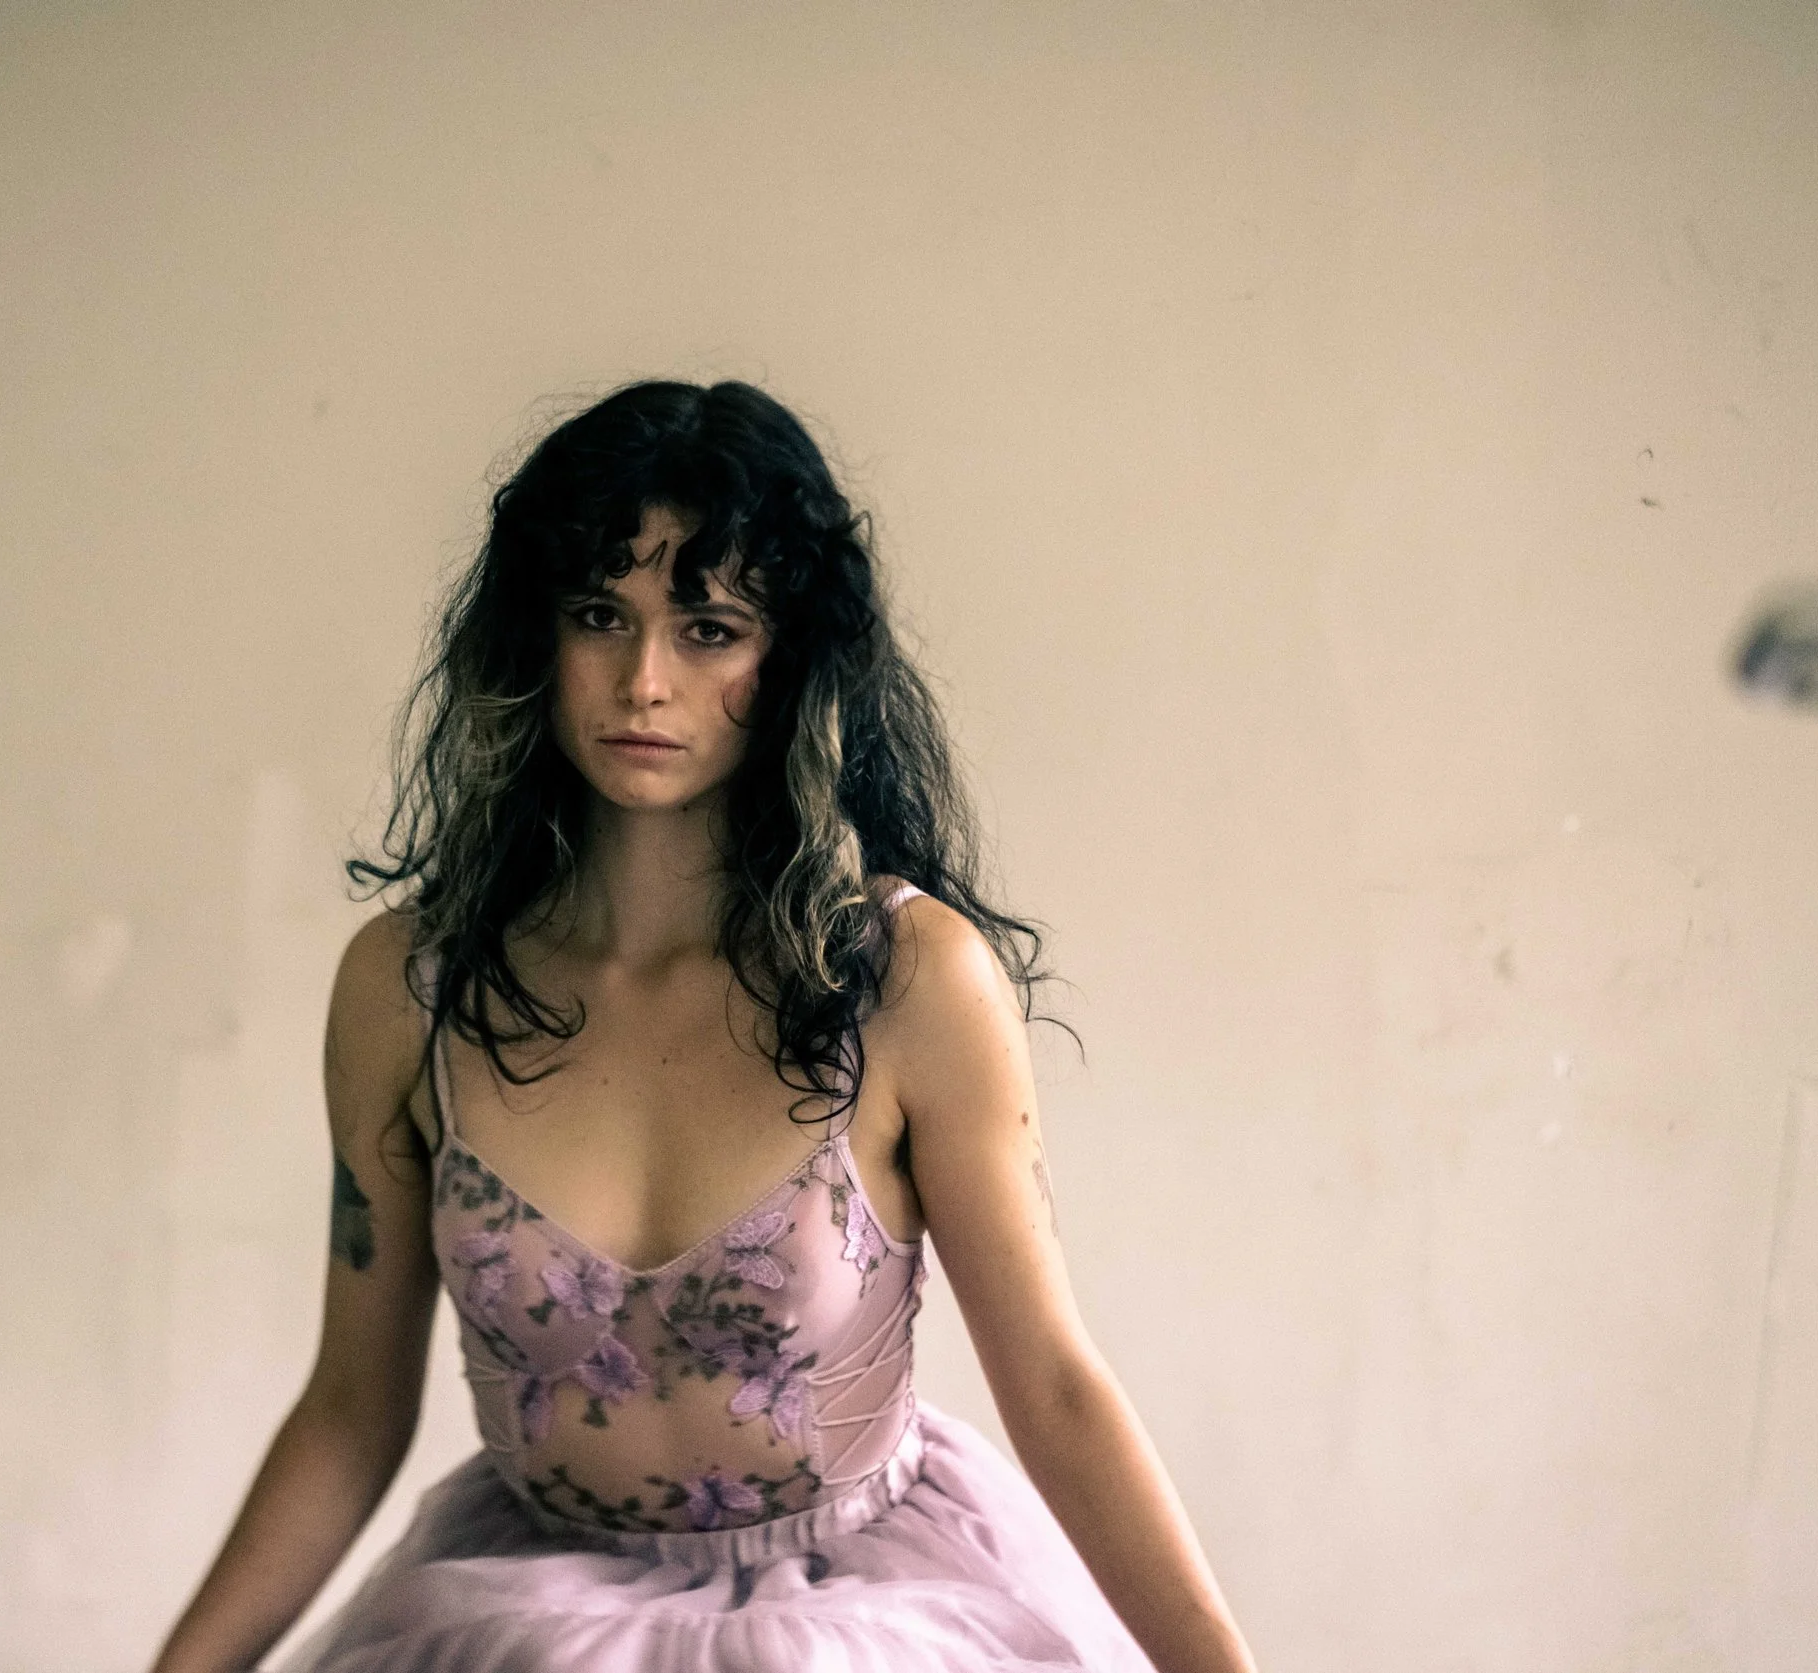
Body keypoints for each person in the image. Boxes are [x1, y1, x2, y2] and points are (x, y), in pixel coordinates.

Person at [151, 381, 1257, 1673]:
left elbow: (1058, 1390)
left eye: (710, 627)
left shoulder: (904, 980)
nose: (643, 680)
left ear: (787, 656)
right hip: (507, 1629)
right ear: (535, 640)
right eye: (598, 616)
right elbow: (349, 1413)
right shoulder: (409, 987)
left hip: (866, 1630)